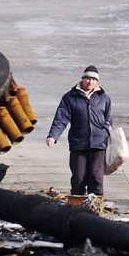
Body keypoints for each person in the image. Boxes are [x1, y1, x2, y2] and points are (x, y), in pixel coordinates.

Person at [46, 65, 112, 196]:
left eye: (93, 79)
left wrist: (105, 133)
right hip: (78, 144)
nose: (90, 82)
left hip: (99, 145)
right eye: (88, 78)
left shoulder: (104, 97)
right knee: (78, 179)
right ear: (82, 79)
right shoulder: (70, 97)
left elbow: (109, 119)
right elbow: (61, 118)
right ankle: (76, 210)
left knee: (96, 179)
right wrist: (53, 136)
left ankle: (95, 210)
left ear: (97, 81)